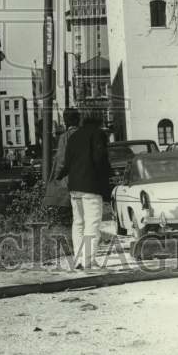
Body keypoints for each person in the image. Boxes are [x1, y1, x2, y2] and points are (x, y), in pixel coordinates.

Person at [54, 111, 112, 270]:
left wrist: (60, 176)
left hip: (74, 187)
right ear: (99, 123)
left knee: (78, 223)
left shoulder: (73, 137)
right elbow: (100, 159)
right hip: (91, 186)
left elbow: (66, 163)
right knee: (92, 225)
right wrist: (108, 179)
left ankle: (80, 259)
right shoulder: (98, 134)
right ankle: (87, 261)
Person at [44, 108, 81, 220]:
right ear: (78, 120)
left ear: (66, 121)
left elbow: (61, 161)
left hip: (71, 181)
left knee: (76, 218)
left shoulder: (65, 137)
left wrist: (56, 177)